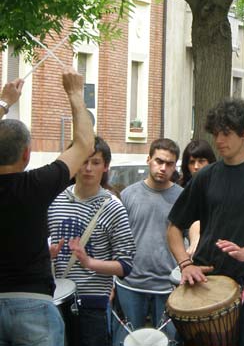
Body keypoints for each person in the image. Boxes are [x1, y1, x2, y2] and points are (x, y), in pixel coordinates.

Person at [167, 98, 244, 346]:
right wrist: (185, 264)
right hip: (207, 281)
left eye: (226, 133)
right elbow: (173, 227)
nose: (219, 140)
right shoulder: (205, 176)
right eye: (216, 133)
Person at [0, 68, 94, 346]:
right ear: (27, 154)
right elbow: (85, 144)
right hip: (34, 304)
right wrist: (76, 94)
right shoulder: (37, 184)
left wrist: (4, 103)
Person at [48, 136, 136, 346]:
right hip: (53, 301)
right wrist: (47, 254)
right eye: (84, 161)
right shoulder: (54, 200)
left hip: (92, 306)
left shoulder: (114, 207)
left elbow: (125, 265)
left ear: (105, 167)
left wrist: (89, 263)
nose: (88, 168)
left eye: (95, 162)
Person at [114, 138, 184, 344]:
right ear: (148, 159)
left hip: (168, 285)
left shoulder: (182, 197)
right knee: (127, 341)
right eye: (159, 161)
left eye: (169, 164)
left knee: (169, 341)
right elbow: (117, 239)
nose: (163, 168)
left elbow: (194, 232)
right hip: (130, 284)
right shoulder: (128, 194)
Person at [179, 139, 217, 256]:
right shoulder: (182, 190)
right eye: (192, 162)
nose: (196, 166)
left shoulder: (221, 186)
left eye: (201, 161)